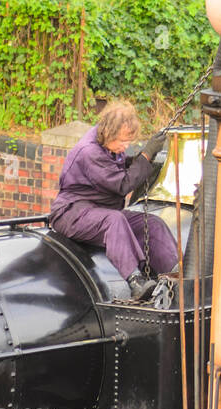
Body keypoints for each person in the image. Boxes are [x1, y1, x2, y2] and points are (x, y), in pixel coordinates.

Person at [48, 100, 179, 301]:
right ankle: (135, 281)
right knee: (114, 220)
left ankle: (177, 276)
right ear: (109, 133)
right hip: (71, 213)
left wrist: (139, 160)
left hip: (98, 210)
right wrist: (145, 156)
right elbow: (121, 185)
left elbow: (117, 168)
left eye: (129, 142)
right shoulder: (89, 151)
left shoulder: (107, 143)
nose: (125, 147)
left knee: (152, 223)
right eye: (122, 142)